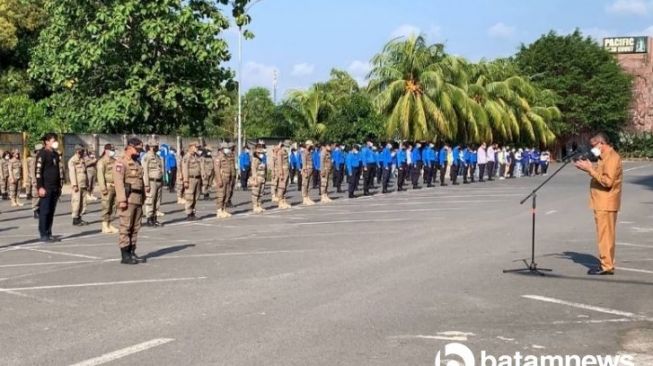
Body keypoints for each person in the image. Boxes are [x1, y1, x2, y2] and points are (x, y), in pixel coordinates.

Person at [574, 133, 623, 275]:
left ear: (601, 143)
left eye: (593, 145)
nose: (592, 149)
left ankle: (606, 266)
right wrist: (589, 167)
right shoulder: (604, 157)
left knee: (605, 235)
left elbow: (607, 182)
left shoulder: (612, 157)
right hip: (603, 201)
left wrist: (590, 169)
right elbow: (602, 174)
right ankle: (607, 263)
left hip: (606, 202)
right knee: (606, 235)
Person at [114, 137, 147, 265]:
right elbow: (118, 182)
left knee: (135, 227)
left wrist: (143, 197)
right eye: (137, 149)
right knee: (125, 227)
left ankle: (132, 251)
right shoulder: (121, 163)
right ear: (129, 147)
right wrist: (122, 199)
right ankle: (125, 254)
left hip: (137, 198)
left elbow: (140, 182)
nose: (139, 151)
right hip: (128, 199)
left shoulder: (137, 162)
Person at [35, 133, 65, 242]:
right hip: (45, 187)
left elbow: (58, 171)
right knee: (45, 211)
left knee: (51, 211)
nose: (55, 142)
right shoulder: (42, 154)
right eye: (53, 140)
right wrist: (40, 187)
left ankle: (48, 232)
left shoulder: (55, 154)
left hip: (54, 187)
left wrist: (59, 186)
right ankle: (43, 234)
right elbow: (38, 172)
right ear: (47, 142)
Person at [97, 144, 119, 234]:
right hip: (108, 186)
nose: (113, 151)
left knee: (114, 206)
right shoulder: (102, 161)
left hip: (115, 186)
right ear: (106, 150)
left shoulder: (115, 161)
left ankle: (110, 223)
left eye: (113, 150)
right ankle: (104, 225)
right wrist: (103, 188)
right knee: (106, 206)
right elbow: (100, 175)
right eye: (111, 150)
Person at [143, 139, 165, 227]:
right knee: (150, 200)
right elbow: (145, 171)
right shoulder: (147, 157)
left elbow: (160, 169)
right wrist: (146, 184)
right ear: (151, 147)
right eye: (156, 146)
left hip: (158, 181)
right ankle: (149, 219)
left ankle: (154, 218)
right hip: (151, 181)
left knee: (157, 201)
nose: (157, 147)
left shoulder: (158, 157)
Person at [68, 144, 89, 226]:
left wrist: (87, 183)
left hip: (83, 184)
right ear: (77, 150)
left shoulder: (82, 160)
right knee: (76, 201)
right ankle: (75, 219)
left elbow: (85, 172)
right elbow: (72, 173)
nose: (83, 152)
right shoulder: (72, 160)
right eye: (81, 150)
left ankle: (80, 217)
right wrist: (74, 185)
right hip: (77, 185)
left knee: (83, 202)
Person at [215, 142, 236, 218]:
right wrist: (219, 180)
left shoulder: (227, 156)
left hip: (228, 178)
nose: (227, 149)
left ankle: (224, 209)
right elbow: (217, 170)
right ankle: (219, 210)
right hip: (222, 178)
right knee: (221, 195)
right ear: (221, 149)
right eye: (226, 148)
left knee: (226, 194)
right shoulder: (218, 158)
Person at [182, 142, 202, 220]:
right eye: (195, 147)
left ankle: (193, 212)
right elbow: (185, 169)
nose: (197, 148)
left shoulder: (196, 156)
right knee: (189, 197)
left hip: (197, 178)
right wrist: (185, 181)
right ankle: (189, 214)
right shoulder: (186, 157)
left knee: (196, 197)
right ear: (191, 147)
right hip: (190, 179)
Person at [249, 144, 267, 213]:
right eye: (259, 153)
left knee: (261, 193)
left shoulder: (262, 160)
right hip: (257, 178)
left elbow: (264, 169)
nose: (261, 154)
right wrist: (255, 179)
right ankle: (255, 206)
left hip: (262, 178)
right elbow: (253, 169)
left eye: (262, 153)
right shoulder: (255, 160)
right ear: (256, 153)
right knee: (255, 193)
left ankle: (259, 205)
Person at [275, 140, 292, 209]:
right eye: (287, 145)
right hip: (283, 171)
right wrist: (281, 172)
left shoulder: (286, 152)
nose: (288, 147)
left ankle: (283, 200)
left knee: (285, 186)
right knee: (281, 186)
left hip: (286, 170)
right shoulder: (280, 152)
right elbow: (279, 163)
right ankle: (280, 201)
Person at [29, 144, 42, 218]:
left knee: (41, 196)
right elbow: (32, 171)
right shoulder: (34, 159)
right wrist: (34, 181)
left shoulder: (41, 158)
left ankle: (39, 209)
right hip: (36, 180)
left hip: (42, 179)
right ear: (37, 151)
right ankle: (35, 210)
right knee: (36, 195)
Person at [301, 140, 316, 205]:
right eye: (310, 145)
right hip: (306, 169)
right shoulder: (304, 152)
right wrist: (304, 170)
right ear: (307, 145)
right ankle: (305, 198)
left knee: (308, 184)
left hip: (310, 169)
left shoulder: (309, 152)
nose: (311, 146)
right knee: (305, 184)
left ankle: (307, 197)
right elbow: (304, 162)